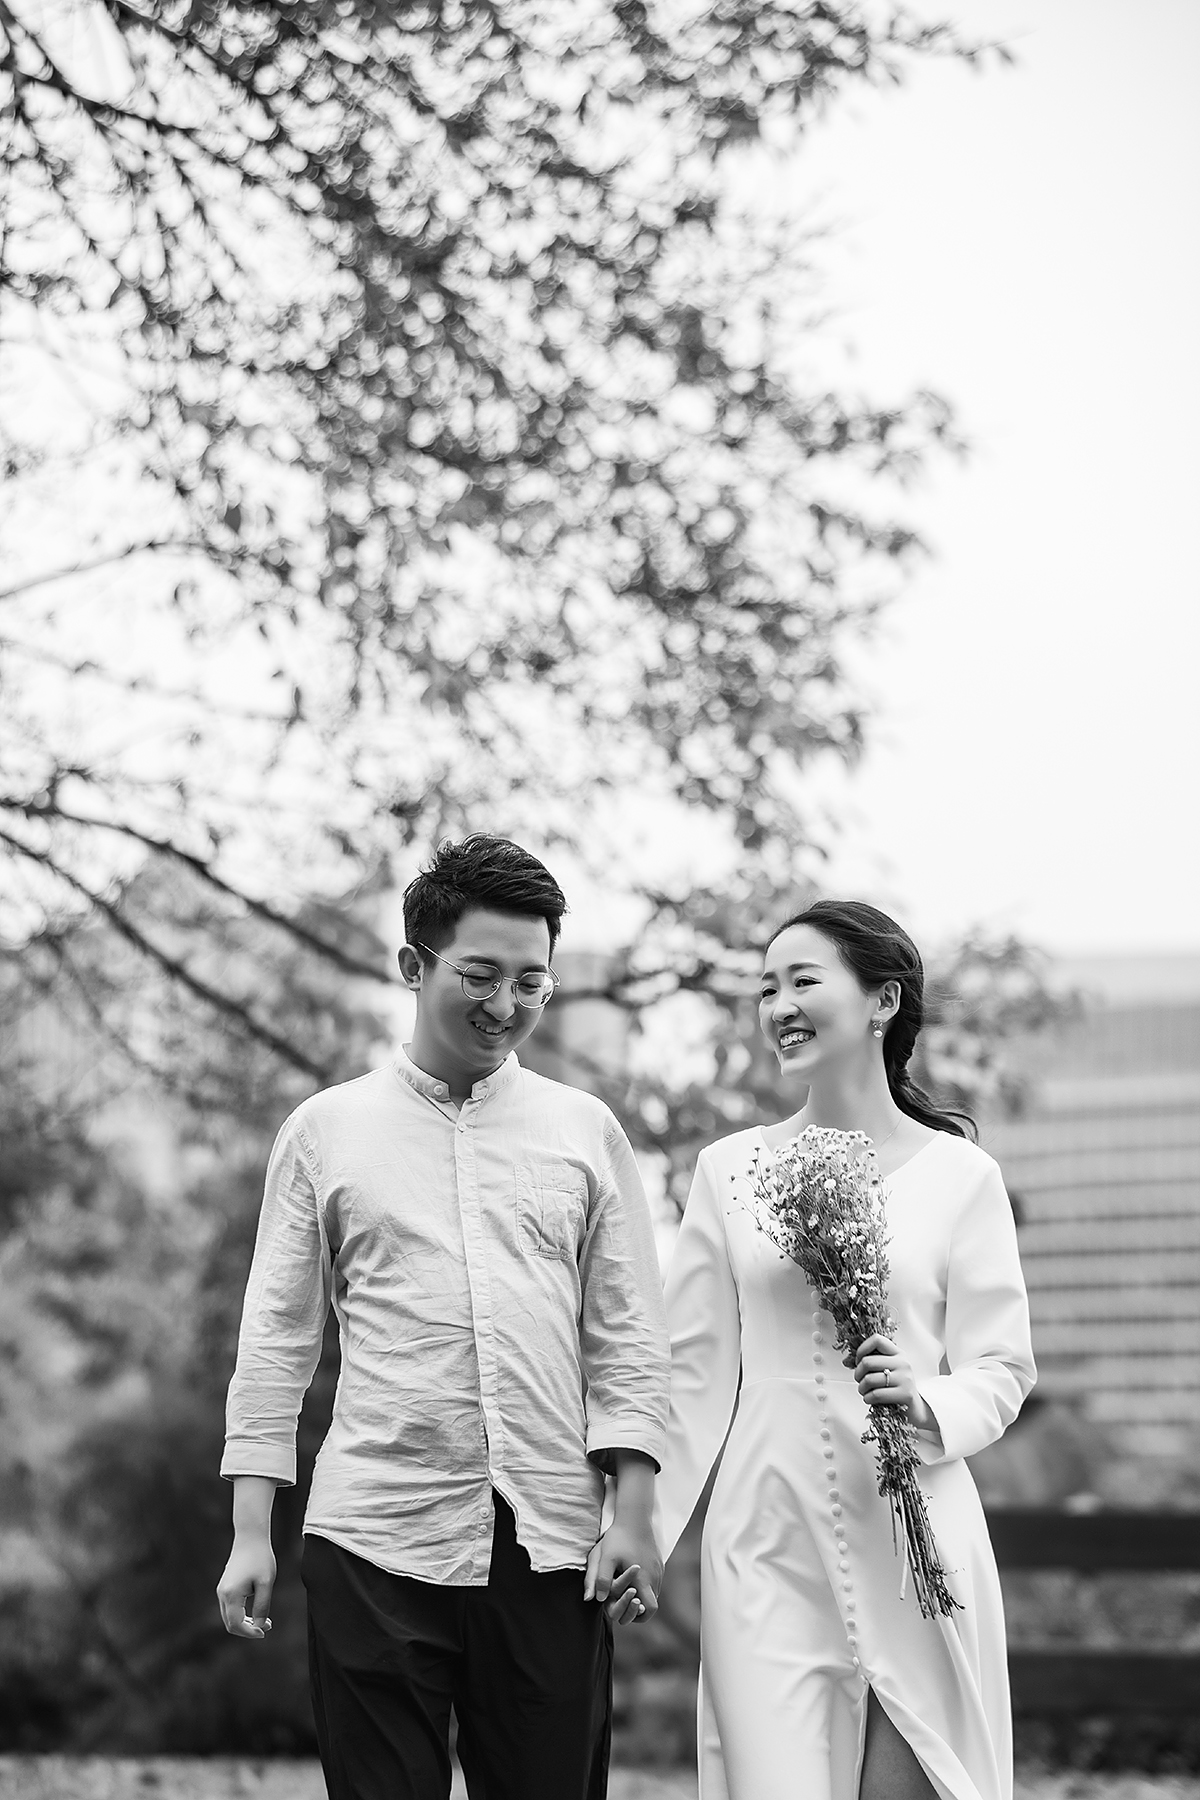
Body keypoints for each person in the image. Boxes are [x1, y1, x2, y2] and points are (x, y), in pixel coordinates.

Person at [216, 834, 670, 1800]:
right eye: (480, 974)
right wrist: (252, 1529)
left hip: (551, 1541)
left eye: (531, 981)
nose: (506, 1004)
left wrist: (633, 1515)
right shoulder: (324, 1131)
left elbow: (627, 1335)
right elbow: (276, 1340)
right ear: (413, 966)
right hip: (373, 1534)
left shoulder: (585, 1131)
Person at [651, 899, 1036, 1800]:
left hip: (917, 1541)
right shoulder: (728, 1171)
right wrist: (639, 1531)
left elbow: (1003, 1367)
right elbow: (690, 1374)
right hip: (765, 1540)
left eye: (802, 980)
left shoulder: (962, 1177)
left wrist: (926, 1398)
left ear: (882, 1001)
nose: (778, 1006)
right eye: (766, 989)